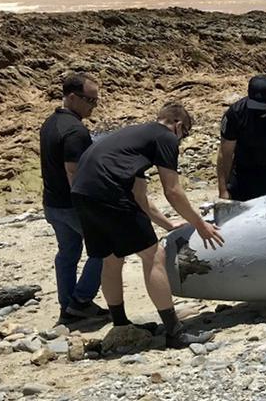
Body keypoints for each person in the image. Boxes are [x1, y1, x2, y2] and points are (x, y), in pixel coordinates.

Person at [71, 102, 225, 348]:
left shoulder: (135, 136)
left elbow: (140, 197)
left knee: (111, 259)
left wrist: (167, 225)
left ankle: (121, 325)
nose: (181, 140)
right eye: (184, 134)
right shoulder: (165, 137)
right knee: (154, 255)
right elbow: (172, 191)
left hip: (81, 192)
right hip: (108, 192)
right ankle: (175, 332)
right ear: (177, 124)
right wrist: (200, 225)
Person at [39, 73, 108, 325]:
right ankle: (81, 301)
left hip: (52, 203)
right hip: (71, 205)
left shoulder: (50, 122)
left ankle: (67, 307)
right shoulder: (75, 131)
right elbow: (73, 173)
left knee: (67, 253)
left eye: (95, 100)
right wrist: (89, 207)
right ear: (71, 97)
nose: (93, 106)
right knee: (106, 249)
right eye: (89, 100)